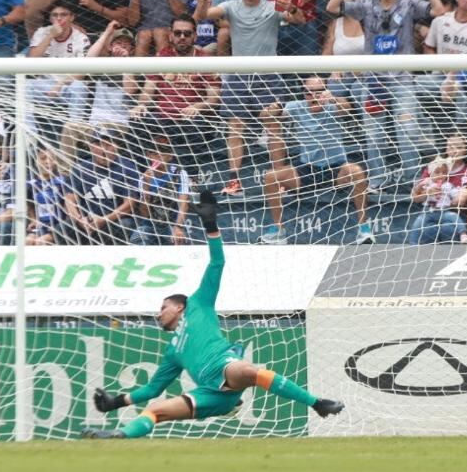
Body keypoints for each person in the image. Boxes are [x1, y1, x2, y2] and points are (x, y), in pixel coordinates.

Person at [84, 202, 344, 438]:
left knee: (248, 371)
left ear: (179, 306)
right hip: (209, 395)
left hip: (224, 367)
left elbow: (217, 262)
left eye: (163, 307)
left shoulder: (199, 303)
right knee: (154, 409)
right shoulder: (172, 351)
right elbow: (152, 389)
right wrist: (115, 403)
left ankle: (317, 403)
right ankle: (118, 435)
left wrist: (210, 225)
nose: (158, 313)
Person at [196, 0, 305, 212]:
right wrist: (203, 0)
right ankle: (234, 181)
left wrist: (291, 8)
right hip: (238, 74)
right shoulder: (232, 6)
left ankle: (279, 180)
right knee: (234, 126)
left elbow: (300, 20)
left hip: (267, 74)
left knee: (273, 125)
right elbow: (201, 16)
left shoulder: (272, 6)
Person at [327, 0, 445, 182]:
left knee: (408, 130)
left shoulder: (408, 3)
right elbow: (332, 8)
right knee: (374, 136)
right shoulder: (366, 5)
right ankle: (379, 181)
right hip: (374, 82)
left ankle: (412, 182)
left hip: (402, 80)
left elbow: (439, 11)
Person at [262, 76, 373, 245]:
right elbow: (265, 117)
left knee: (357, 173)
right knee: (271, 176)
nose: (313, 96)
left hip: (336, 168)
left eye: (318, 92)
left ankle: (363, 228)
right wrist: (273, 109)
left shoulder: (332, 105)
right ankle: (278, 230)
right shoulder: (296, 106)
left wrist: (333, 98)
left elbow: (347, 107)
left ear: (326, 91)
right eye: (308, 93)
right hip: (307, 169)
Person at [64, 127, 140, 244]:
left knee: (125, 225)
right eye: (98, 144)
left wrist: (104, 220)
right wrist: (80, 219)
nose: (103, 149)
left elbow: (129, 204)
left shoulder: (128, 167)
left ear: (116, 147)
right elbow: (69, 200)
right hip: (86, 220)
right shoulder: (80, 168)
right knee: (64, 226)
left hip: (114, 220)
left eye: (108, 145)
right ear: (90, 147)